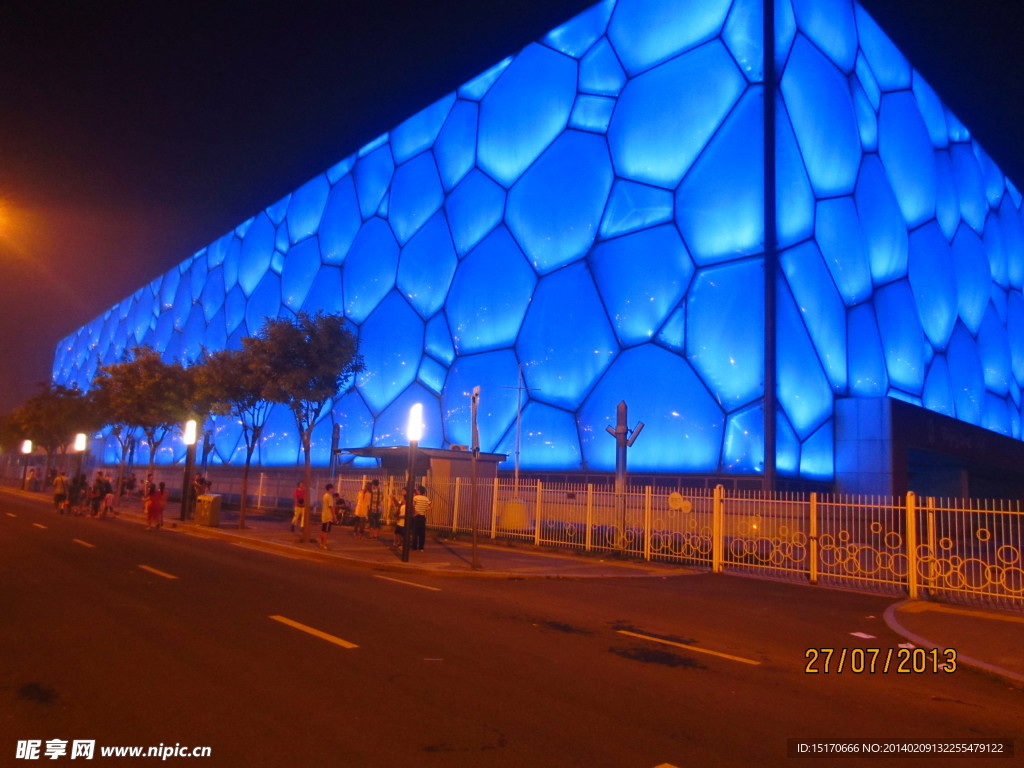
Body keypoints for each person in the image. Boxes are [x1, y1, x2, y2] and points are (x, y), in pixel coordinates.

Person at [412, 485, 431, 551]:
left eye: (417, 490)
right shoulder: (426, 498)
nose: (416, 491)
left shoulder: (415, 498)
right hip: (423, 516)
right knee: (422, 533)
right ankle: (421, 547)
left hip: (416, 516)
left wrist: (415, 512)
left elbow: (413, 506)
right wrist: (424, 509)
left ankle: (414, 546)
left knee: (415, 532)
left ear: (419, 491)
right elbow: (430, 506)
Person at [319, 483, 337, 550]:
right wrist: (334, 516)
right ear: (329, 489)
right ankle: (324, 545)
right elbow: (331, 507)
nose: (333, 490)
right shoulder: (329, 496)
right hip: (328, 516)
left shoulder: (325, 495)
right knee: (326, 532)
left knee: (323, 531)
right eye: (332, 488)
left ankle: (321, 543)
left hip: (324, 515)